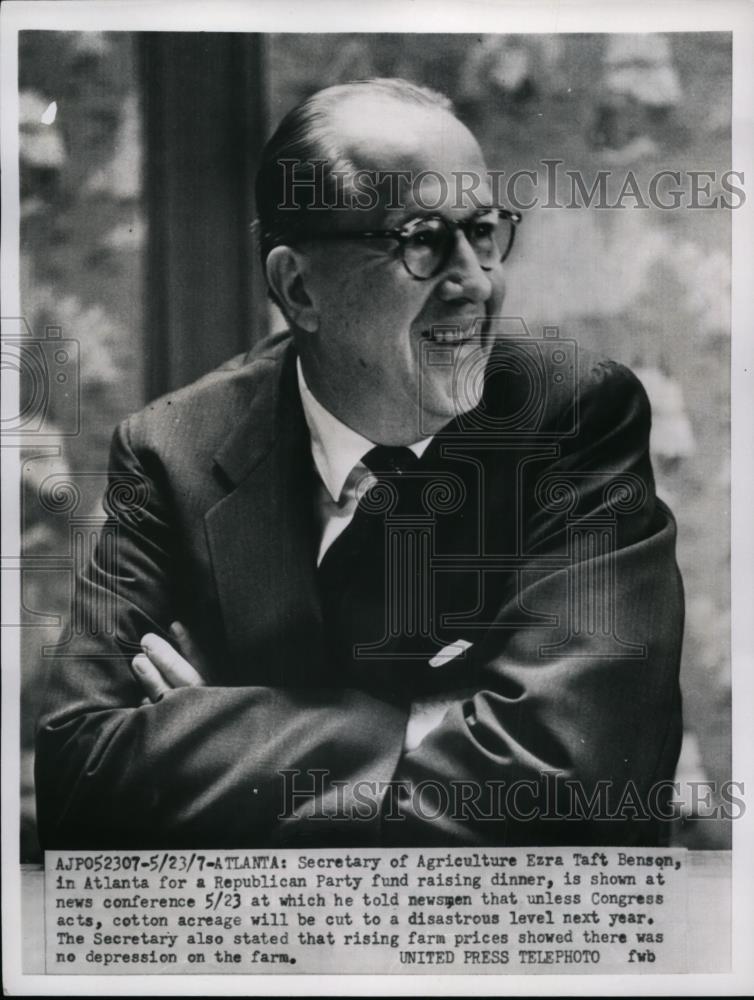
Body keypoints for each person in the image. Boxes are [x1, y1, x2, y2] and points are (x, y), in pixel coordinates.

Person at [35, 78, 684, 849]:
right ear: (298, 287)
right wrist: (433, 725)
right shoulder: (170, 452)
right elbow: (79, 777)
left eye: (482, 231)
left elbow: (575, 780)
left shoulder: (575, 417)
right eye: (420, 239)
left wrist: (219, 729)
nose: (474, 282)